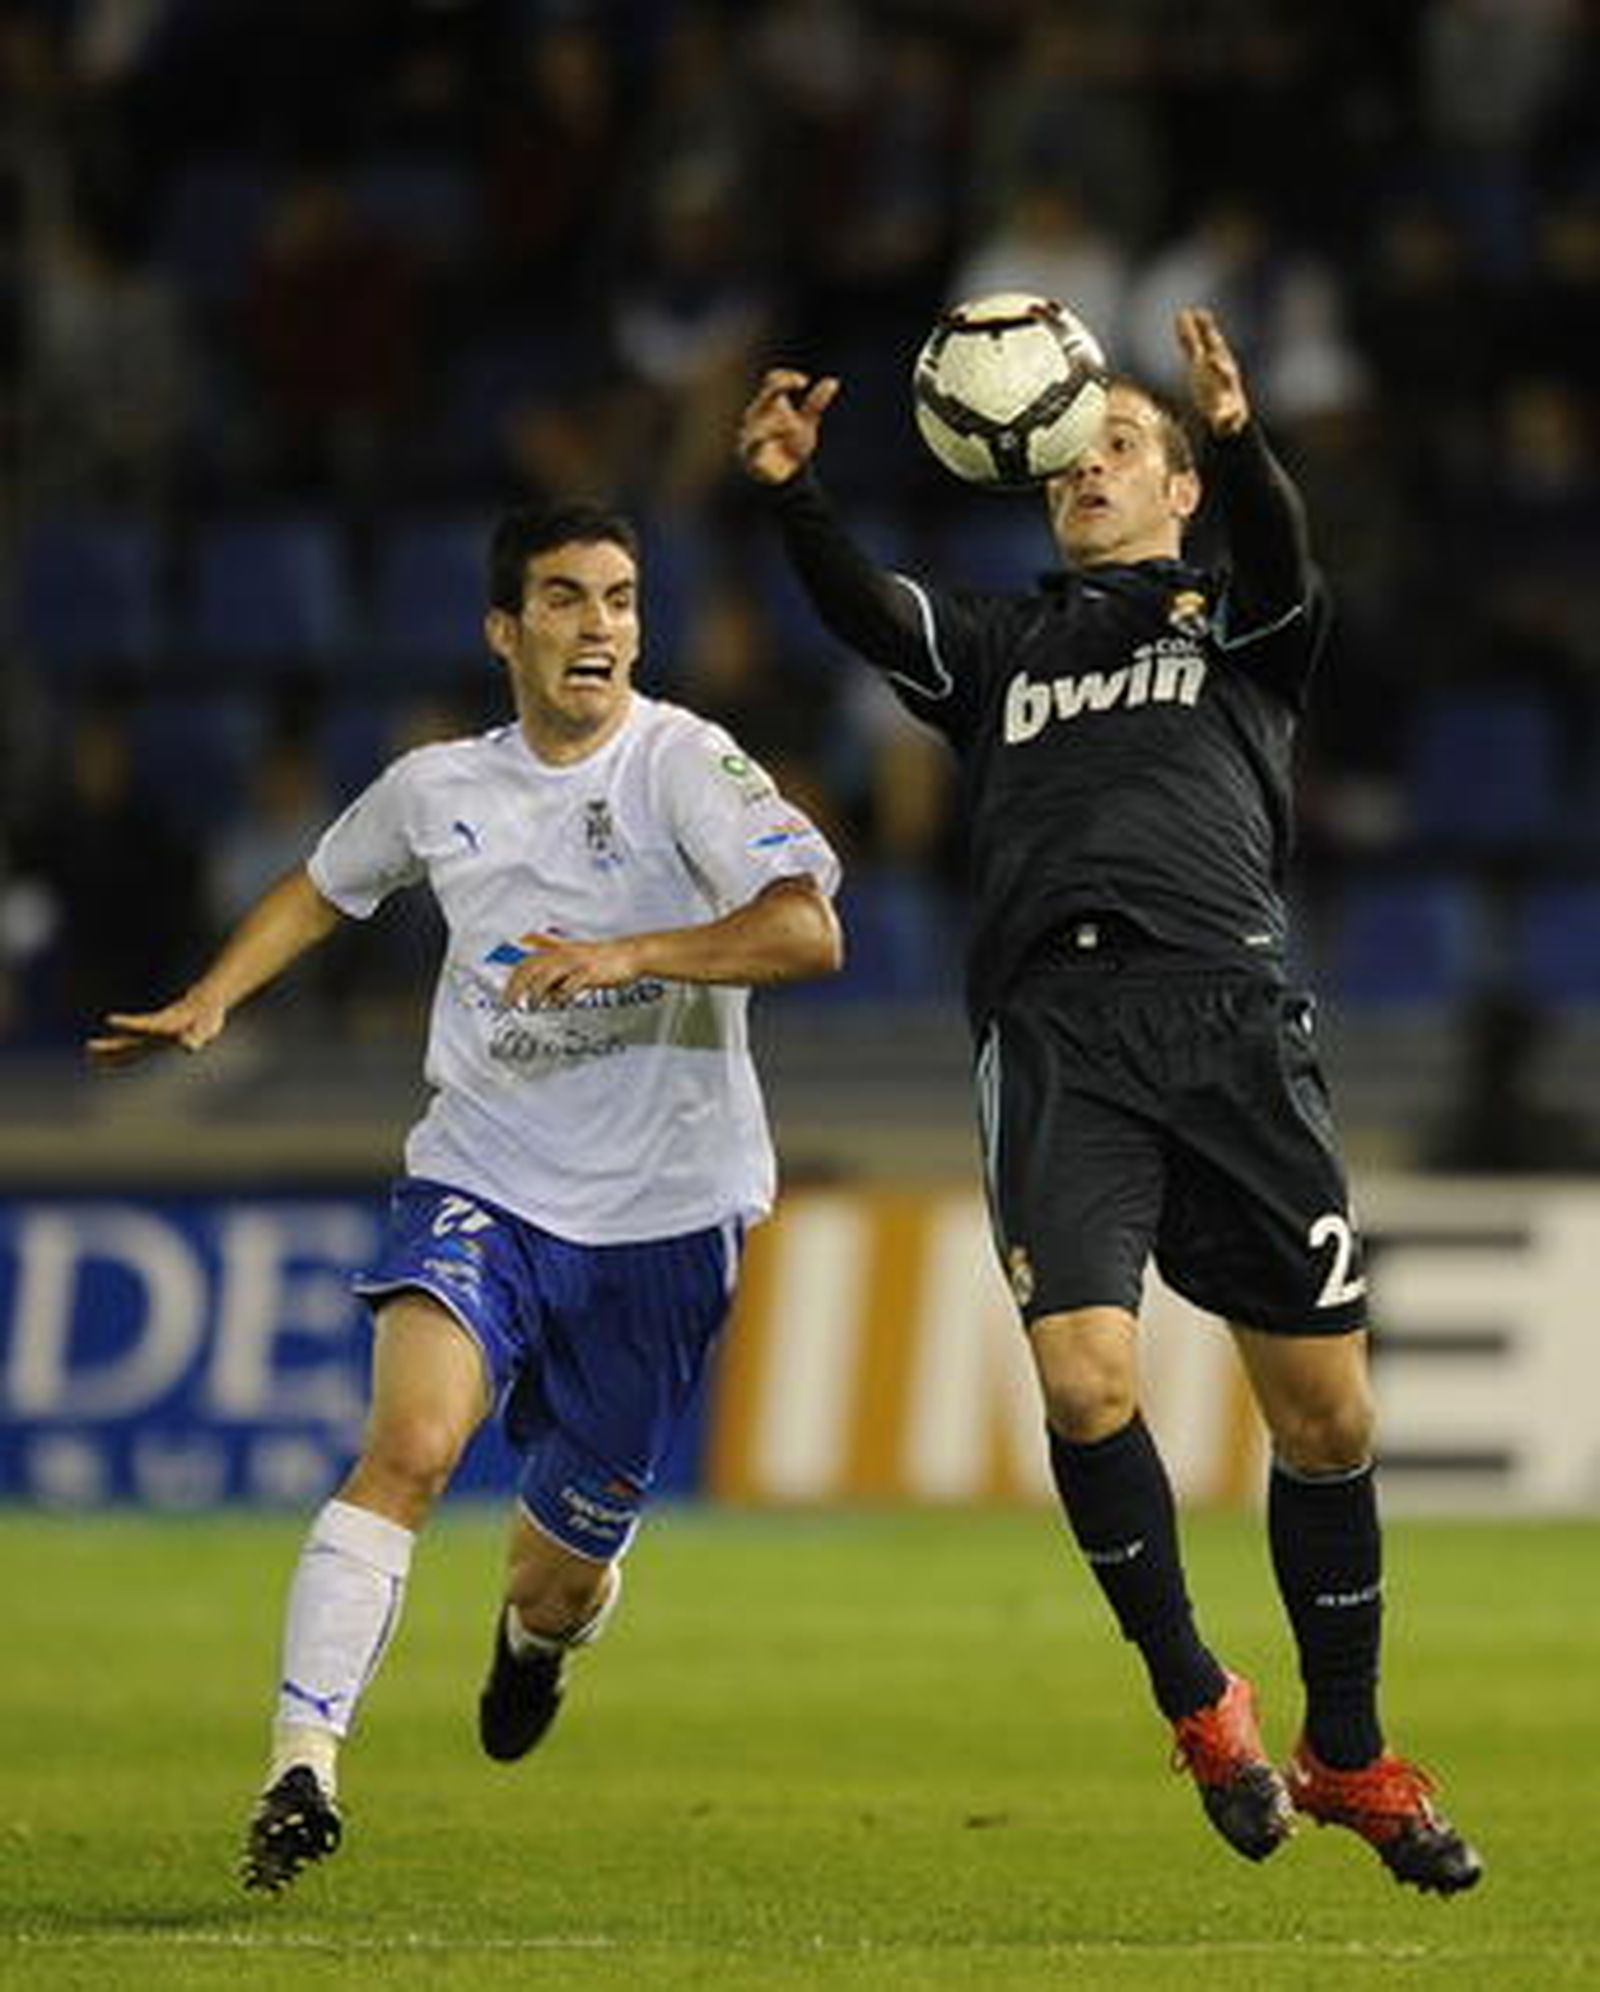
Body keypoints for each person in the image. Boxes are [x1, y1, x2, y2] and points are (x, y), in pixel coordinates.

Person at [736, 310, 1482, 1895]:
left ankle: (1346, 1753)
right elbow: (874, 618)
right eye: (1074, 451)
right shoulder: (1003, 649)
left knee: (1328, 1417)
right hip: (1059, 1030)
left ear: (1181, 487)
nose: (1092, 465)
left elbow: (1287, 555)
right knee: (1087, 1384)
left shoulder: (1241, 625)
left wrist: (1241, 433)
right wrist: (796, 495)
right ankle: (1201, 1703)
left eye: (1124, 445)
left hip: (1230, 1019)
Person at [88, 501, 843, 1892]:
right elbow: (324, 888)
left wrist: (628, 955)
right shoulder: (438, 785)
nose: (600, 626)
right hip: (482, 1176)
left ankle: (538, 1645)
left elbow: (809, 928)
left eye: (620, 599)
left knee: (553, 1579)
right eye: (566, 599)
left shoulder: (689, 767)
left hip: (663, 1220)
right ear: (507, 630)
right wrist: (209, 1001)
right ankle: (302, 1768)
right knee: (414, 1447)